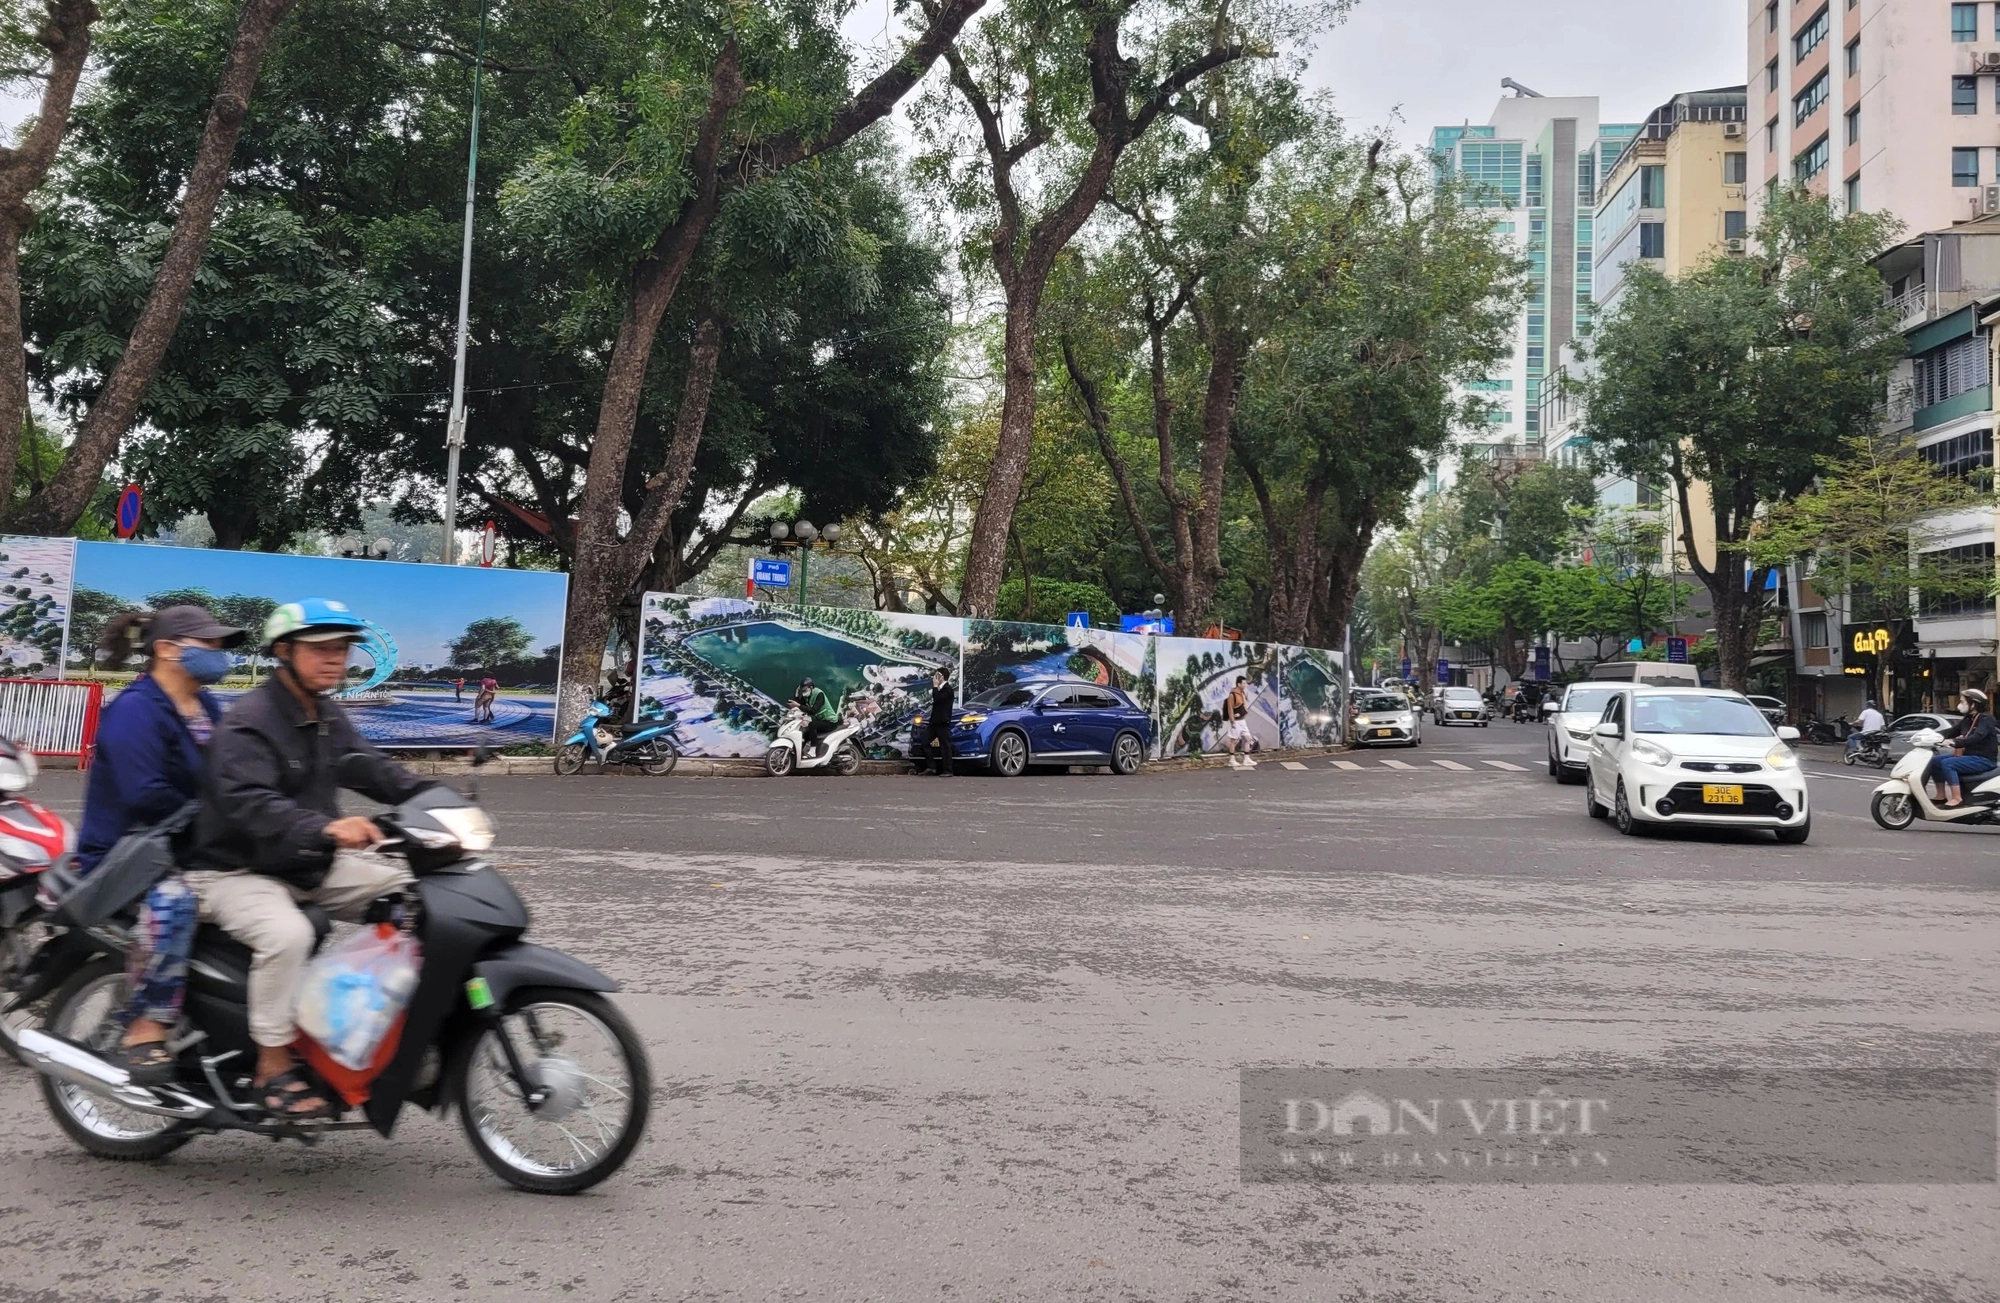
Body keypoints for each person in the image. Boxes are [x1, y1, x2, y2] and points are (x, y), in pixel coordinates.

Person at [183, 599, 436, 1118]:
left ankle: (359, 1029)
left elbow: (369, 767)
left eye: (341, 649)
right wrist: (326, 827)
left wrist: (434, 798)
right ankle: (272, 1066)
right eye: (321, 649)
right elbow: (249, 802)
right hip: (233, 868)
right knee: (288, 935)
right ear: (284, 652)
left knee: (413, 899)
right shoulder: (250, 721)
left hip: (303, 861)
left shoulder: (324, 712)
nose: (335, 659)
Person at [77, 606, 246, 1083]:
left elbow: (229, 774)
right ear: (167, 649)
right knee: (176, 903)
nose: (218, 654)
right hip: (126, 858)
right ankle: (145, 1027)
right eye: (208, 644)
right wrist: (220, 821)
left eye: (218, 646)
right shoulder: (134, 709)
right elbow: (147, 796)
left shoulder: (208, 706)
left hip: (184, 845)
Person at [1927, 688, 1997, 808]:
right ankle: (1941, 796)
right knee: (1935, 761)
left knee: (1948, 764)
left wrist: (1955, 742)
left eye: (1963, 702)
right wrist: (1933, 735)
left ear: (1973, 704)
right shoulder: (1967, 719)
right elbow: (1951, 731)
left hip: (1983, 759)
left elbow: (1977, 736)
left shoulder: (1986, 718)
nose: (1960, 705)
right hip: (1970, 757)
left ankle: (1956, 798)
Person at [918, 667, 955, 776]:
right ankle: (931, 767)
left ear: (942, 676)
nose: (935, 677)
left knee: (945, 747)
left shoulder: (948, 689)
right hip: (934, 722)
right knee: (924, 742)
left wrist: (934, 686)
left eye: (937, 675)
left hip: (943, 723)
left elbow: (937, 698)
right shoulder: (940, 689)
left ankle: (948, 770)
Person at [791, 676, 839, 756]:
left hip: (830, 722)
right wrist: (796, 695)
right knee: (805, 733)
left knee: (812, 725)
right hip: (821, 721)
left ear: (811, 687)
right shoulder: (808, 696)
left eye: (805, 690)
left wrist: (798, 705)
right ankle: (797, 753)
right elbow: (802, 705)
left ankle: (813, 751)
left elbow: (813, 710)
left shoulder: (819, 694)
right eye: (802, 690)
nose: (803, 692)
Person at [1223, 676, 1255, 769]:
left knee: (1248, 739)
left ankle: (1246, 758)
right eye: (1243, 683)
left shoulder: (1242, 693)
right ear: (1239, 684)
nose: (1245, 685)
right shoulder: (1232, 695)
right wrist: (1232, 721)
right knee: (1234, 741)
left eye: (1245, 683)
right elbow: (1230, 708)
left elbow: (1244, 704)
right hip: (1236, 722)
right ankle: (1232, 759)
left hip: (1242, 721)